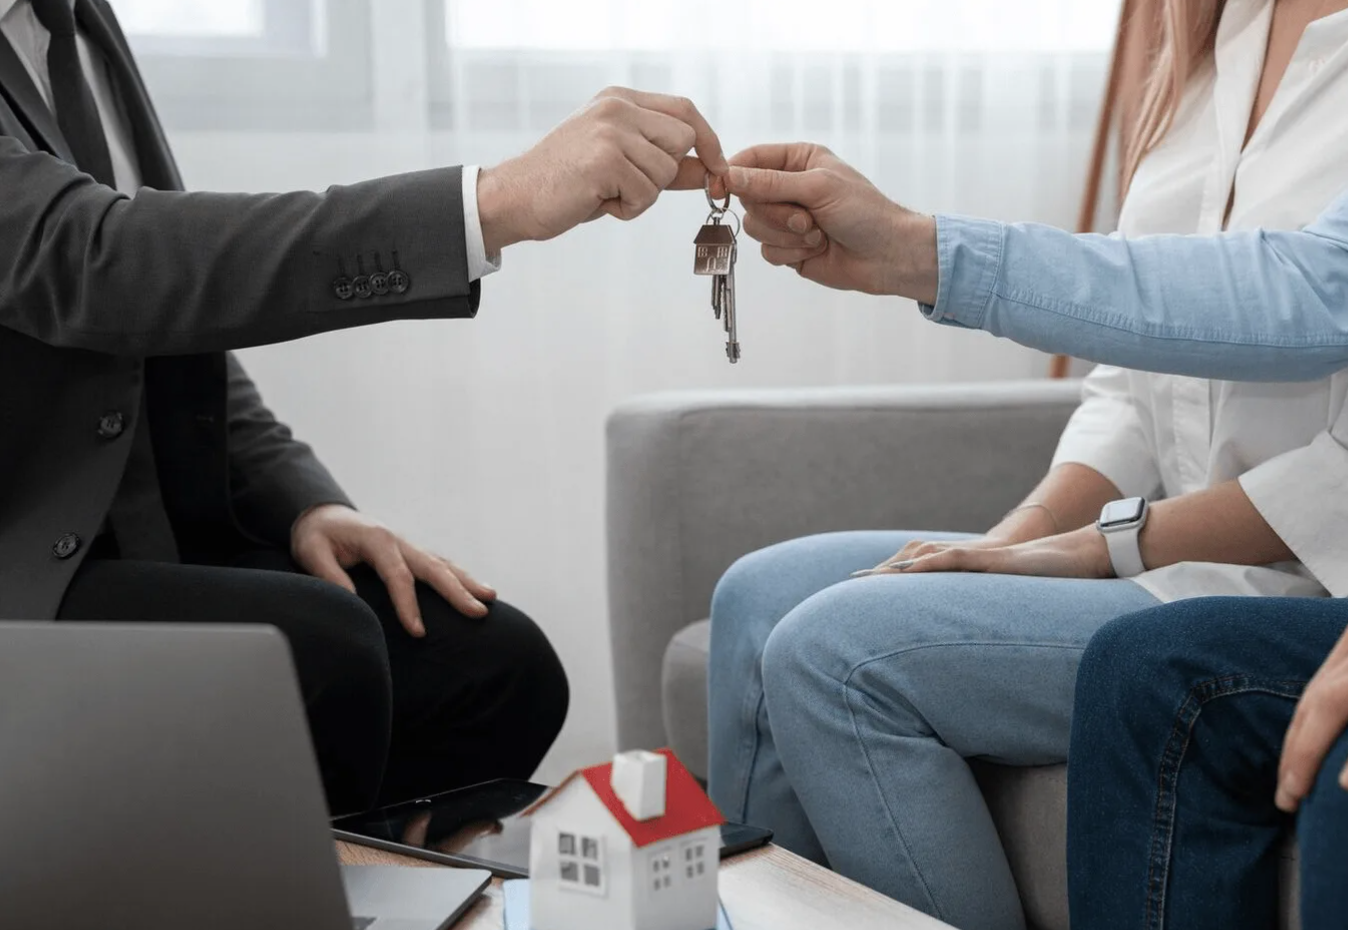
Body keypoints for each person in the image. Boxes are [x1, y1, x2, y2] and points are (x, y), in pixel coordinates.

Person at [706, 2, 1348, 929]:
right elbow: (1133, 382)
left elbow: (1306, 302)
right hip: (1153, 559)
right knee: (755, 596)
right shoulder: (1210, 31)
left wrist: (1104, 546)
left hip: (1287, 584)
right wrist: (1012, 545)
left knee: (835, 654)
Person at [0, 0, 729, 816]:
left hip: (148, 531)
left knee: (502, 669)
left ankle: (370, 885)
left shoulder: (74, 18)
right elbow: (106, 266)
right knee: (320, 654)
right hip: (26, 563)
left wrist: (303, 501)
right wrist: (493, 201)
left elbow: (166, 330)